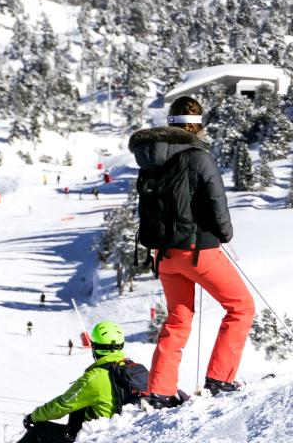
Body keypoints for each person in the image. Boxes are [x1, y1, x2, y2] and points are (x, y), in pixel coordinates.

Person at [128, 96, 255, 408]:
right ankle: (221, 379)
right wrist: (224, 233)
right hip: (199, 252)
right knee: (241, 307)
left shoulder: (150, 159)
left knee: (177, 319)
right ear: (198, 127)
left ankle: (160, 390)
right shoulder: (200, 158)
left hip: (166, 256)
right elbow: (216, 202)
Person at [19, 321, 128, 443]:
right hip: (122, 432)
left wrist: (33, 417)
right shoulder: (134, 370)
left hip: (95, 435)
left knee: (39, 431)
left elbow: (62, 405)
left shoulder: (96, 377)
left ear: (95, 348)